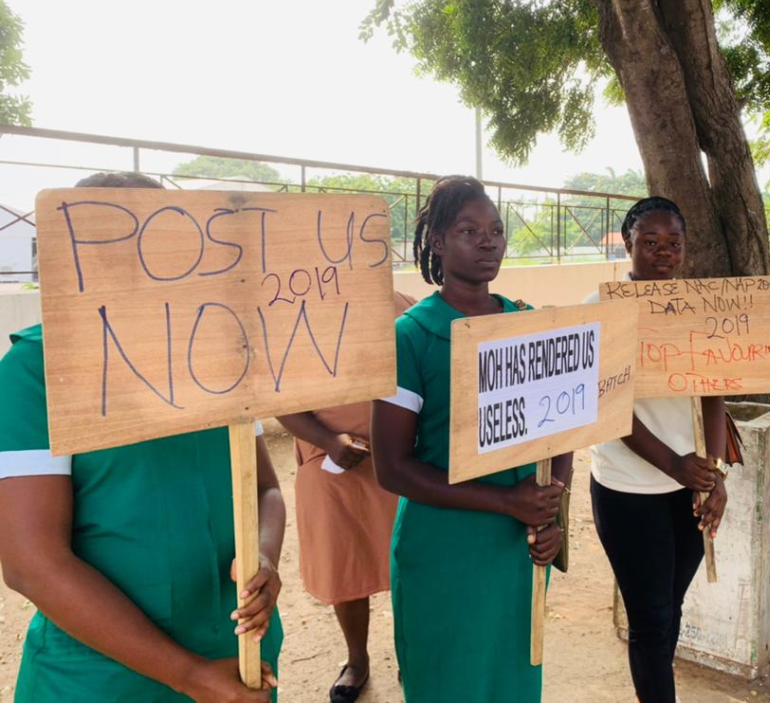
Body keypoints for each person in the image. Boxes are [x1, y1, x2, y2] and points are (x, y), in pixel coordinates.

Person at [0, 172, 284, 702]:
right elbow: (31, 563)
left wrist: (265, 560)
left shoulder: (219, 357)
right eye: (116, 246)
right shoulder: (34, 372)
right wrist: (189, 675)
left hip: (237, 656)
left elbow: (266, 489)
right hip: (103, 679)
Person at [370, 176, 571, 703]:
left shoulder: (530, 325)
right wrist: (506, 500)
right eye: (469, 230)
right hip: (443, 552)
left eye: (497, 230)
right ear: (436, 241)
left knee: (512, 681)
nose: (488, 241)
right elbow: (391, 466)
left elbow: (565, 430)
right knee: (448, 681)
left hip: (517, 550)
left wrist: (552, 513)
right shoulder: (411, 336)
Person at [584, 196, 728, 703]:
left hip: (687, 488)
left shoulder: (701, 305)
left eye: (674, 243)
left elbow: (715, 392)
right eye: (650, 242)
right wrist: (674, 463)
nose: (663, 252)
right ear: (628, 243)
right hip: (628, 490)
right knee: (650, 618)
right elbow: (605, 403)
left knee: (672, 605)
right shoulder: (601, 309)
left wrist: (714, 473)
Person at [278, 292, 415, 703]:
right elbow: (277, 396)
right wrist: (329, 440)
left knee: (411, 564)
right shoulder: (290, 313)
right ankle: (357, 660)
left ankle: (414, 658)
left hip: (401, 459)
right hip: (330, 461)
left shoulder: (400, 307)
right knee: (345, 567)